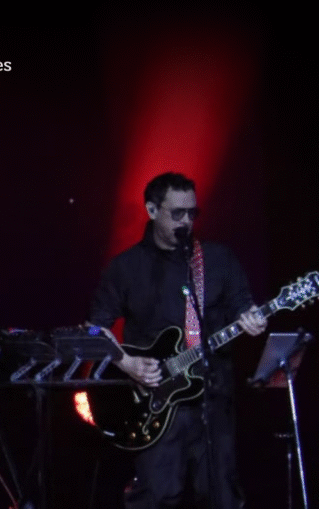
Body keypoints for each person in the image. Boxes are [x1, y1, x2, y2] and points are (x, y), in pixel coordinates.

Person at [87, 172, 267, 509]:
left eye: (192, 213)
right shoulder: (126, 267)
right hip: (155, 402)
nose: (186, 222)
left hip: (214, 399)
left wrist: (253, 318)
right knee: (157, 497)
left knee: (223, 497)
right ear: (152, 210)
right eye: (177, 213)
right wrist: (127, 362)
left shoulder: (218, 259)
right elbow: (95, 329)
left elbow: (243, 305)